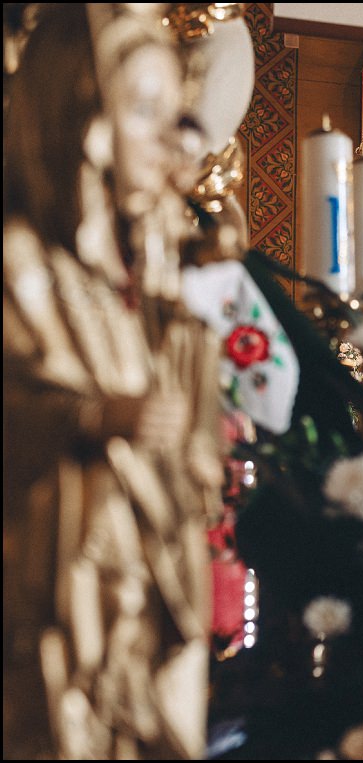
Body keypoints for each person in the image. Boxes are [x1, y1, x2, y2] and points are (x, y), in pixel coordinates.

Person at [4, 5, 216, 758]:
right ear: (82, 115)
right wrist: (90, 414)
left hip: (134, 588)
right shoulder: (19, 258)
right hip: (55, 594)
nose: (170, 137)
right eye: (144, 110)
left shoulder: (116, 277)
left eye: (175, 112)